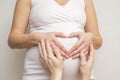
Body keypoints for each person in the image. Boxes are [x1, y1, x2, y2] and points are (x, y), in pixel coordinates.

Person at [8, 0, 102, 80]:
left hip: (83, 74)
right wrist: (37, 38)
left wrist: (91, 38)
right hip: (38, 74)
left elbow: (98, 41)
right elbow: (13, 40)